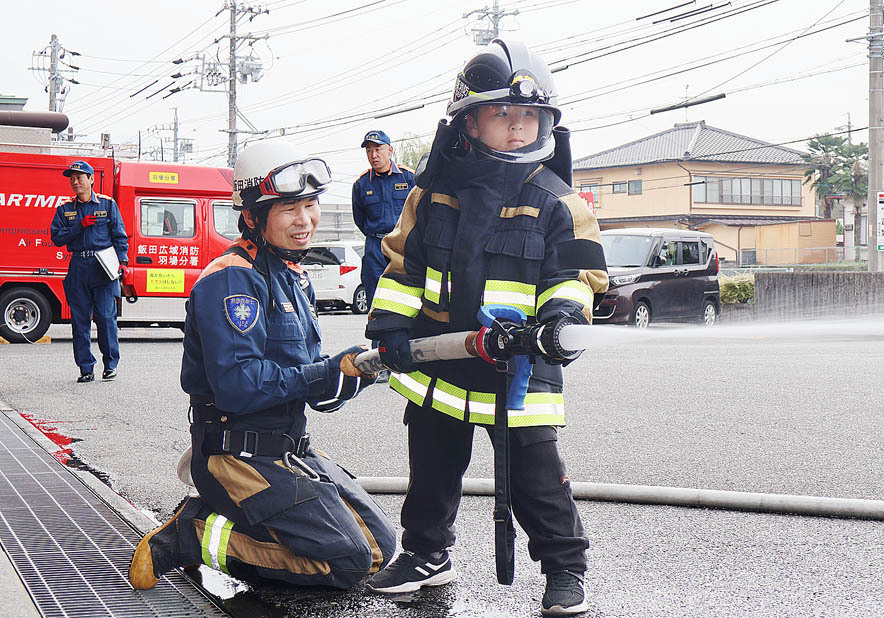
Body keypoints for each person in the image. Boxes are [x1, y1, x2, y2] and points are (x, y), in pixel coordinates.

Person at [363, 40, 608, 616]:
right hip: (440, 362)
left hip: (521, 366)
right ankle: (427, 553)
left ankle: (565, 567)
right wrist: (392, 328)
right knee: (431, 468)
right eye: (502, 114)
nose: (518, 128)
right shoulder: (430, 195)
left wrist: (562, 317)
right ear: (468, 121)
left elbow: (577, 275)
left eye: (530, 116)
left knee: (537, 477)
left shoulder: (559, 201)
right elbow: (403, 265)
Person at [128, 141, 396, 592]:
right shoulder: (233, 278)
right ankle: (190, 536)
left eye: (310, 205)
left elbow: (317, 390)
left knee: (379, 549)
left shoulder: (293, 277)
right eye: (289, 208)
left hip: (289, 448)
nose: (305, 219)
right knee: (348, 563)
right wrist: (327, 371)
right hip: (236, 453)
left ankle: (249, 526)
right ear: (252, 216)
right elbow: (239, 387)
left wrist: (361, 370)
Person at [50, 160, 128, 382]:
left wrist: (122, 262)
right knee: (80, 320)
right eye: (72, 178)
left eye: (80, 177)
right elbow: (56, 238)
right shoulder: (65, 209)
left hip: (103, 267)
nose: (75, 182)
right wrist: (79, 226)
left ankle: (110, 364)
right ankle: (86, 368)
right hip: (78, 268)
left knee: (105, 318)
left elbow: (119, 236)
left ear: (91, 179)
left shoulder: (107, 205)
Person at [351, 130, 416, 309]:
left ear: (390, 150)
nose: (373, 155)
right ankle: (378, 338)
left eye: (378, 149)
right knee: (376, 303)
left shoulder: (409, 178)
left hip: (403, 246)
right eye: (369, 151)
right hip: (375, 247)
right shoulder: (361, 184)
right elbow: (360, 220)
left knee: (406, 300)